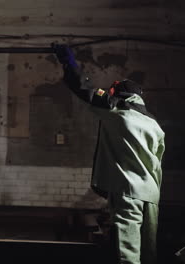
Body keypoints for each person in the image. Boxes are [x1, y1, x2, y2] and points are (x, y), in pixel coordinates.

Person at [53, 44, 165, 264]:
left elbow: (84, 87)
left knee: (128, 252)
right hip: (152, 194)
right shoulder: (154, 123)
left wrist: (69, 62)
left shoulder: (117, 110)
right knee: (148, 252)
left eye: (112, 90)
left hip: (128, 189)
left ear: (119, 93)